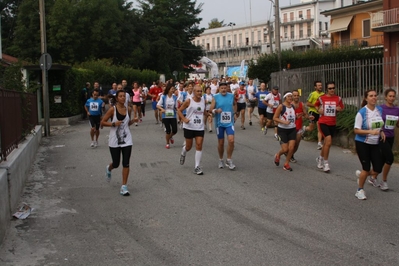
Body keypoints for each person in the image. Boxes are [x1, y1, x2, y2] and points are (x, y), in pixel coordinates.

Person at [101, 90, 137, 196]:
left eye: (123, 96)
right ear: (116, 98)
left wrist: (133, 121)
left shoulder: (128, 109)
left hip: (127, 140)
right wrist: (113, 124)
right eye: (120, 96)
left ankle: (124, 186)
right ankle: (109, 168)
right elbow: (102, 122)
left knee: (126, 163)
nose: (122, 98)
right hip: (114, 140)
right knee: (116, 163)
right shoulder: (112, 110)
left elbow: (127, 123)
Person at [354, 89, 385, 200]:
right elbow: (356, 130)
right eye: (371, 96)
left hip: (374, 143)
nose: (374, 97)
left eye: (375, 95)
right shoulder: (362, 112)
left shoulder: (379, 110)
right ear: (366, 98)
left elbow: (379, 125)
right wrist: (370, 132)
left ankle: (362, 175)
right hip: (362, 143)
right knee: (366, 168)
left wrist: (381, 132)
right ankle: (360, 190)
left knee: (377, 168)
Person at [371, 88, 399, 190]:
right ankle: (384, 181)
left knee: (383, 159)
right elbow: (375, 123)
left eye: (393, 96)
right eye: (390, 96)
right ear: (385, 97)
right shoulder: (380, 109)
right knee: (390, 158)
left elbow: (397, 124)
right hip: (382, 137)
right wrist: (380, 131)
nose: (391, 98)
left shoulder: (397, 109)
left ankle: (372, 176)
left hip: (391, 136)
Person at [178, 85, 208, 175]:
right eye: (198, 91)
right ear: (194, 92)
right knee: (189, 147)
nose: (200, 93)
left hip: (199, 127)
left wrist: (209, 114)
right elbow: (179, 110)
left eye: (201, 91)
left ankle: (197, 166)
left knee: (199, 145)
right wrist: (184, 119)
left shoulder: (203, 100)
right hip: (189, 126)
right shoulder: (189, 101)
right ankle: (184, 151)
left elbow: (204, 111)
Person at [314, 81, 344, 173]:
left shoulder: (338, 98)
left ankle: (320, 158)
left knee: (327, 143)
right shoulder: (322, 98)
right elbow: (315, 105)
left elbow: (342, 107)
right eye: (330, 88)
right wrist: (319, 110)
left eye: (333, 88)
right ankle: (326, 164)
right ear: (327, 89)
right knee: (329, 141)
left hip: (332, 123)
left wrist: (339, 109)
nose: (332, 90)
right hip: (323, 122)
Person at [209, 82, 237, 170]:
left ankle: (229, 159)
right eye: (222, 88)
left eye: (225, 88)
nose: (224, 90)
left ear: (227, 88)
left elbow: (235, 104)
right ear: (219, 89)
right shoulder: (215, 97)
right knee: (221, 143)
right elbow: (210, 109)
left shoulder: (231, 96)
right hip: (219, 123)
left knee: (231, 140)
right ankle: (221, 159)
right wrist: (216, 111)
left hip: (229, 122)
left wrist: (235, 113)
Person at [273, 91, 296, 171]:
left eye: (291, 96)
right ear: (285, 97)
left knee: (291, 148)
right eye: (288, 96)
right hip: (282, 130)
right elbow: (275, 118)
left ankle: (286, 163)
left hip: (292, 129)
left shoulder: (293, 106)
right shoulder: (281, 106)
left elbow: (292, 116)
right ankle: (278, 155)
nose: (290, 98)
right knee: (285, 149)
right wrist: (284, 122)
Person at [303, 81, 324, 150]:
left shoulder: (323, 94)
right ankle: (304, 128)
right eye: (318, 85)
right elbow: (308, 103)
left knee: (319, 128)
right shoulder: (312, 94)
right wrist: (315, 105)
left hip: (320, 113)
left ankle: (319, 143)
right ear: (315, 87)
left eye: (321, 85)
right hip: (313, 112)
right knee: (311, 128)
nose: (320, 86)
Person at [157, 83, 178, 149]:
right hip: (165, 116)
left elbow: (176, 107)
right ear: (168, 89)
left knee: (175, 130)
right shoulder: (163, 97)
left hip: (173, 115)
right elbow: (158, 105)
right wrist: (162, 109)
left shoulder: (175, 97)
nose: (173, 90)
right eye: (172, 89)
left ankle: (170, 136)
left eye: (173, 89)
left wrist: (178, 110)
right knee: (168, 130)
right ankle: (167, 143)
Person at [291, 89, 308, 163]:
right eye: (294, 95)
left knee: (297, 143)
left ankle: (291, 155)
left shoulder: (301, 104)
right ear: (292, 96)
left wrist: (308, 117)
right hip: (291, 127)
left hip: (299, 127)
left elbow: (305, 114)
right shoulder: (290, 105)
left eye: (297, 95)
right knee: (291, 143)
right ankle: (289, 155)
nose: (296, 97)